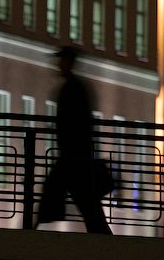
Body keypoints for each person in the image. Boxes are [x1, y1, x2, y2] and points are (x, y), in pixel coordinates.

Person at [36, 46, 112, 234]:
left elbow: (73, 124)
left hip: (72, 157)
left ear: (68, 63)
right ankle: (106, 242)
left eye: (61, 61)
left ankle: (29, 233)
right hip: (77, 157)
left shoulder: (71, 88)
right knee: (88, 205)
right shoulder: (77, 87)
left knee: (74, 199)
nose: (58, 65)